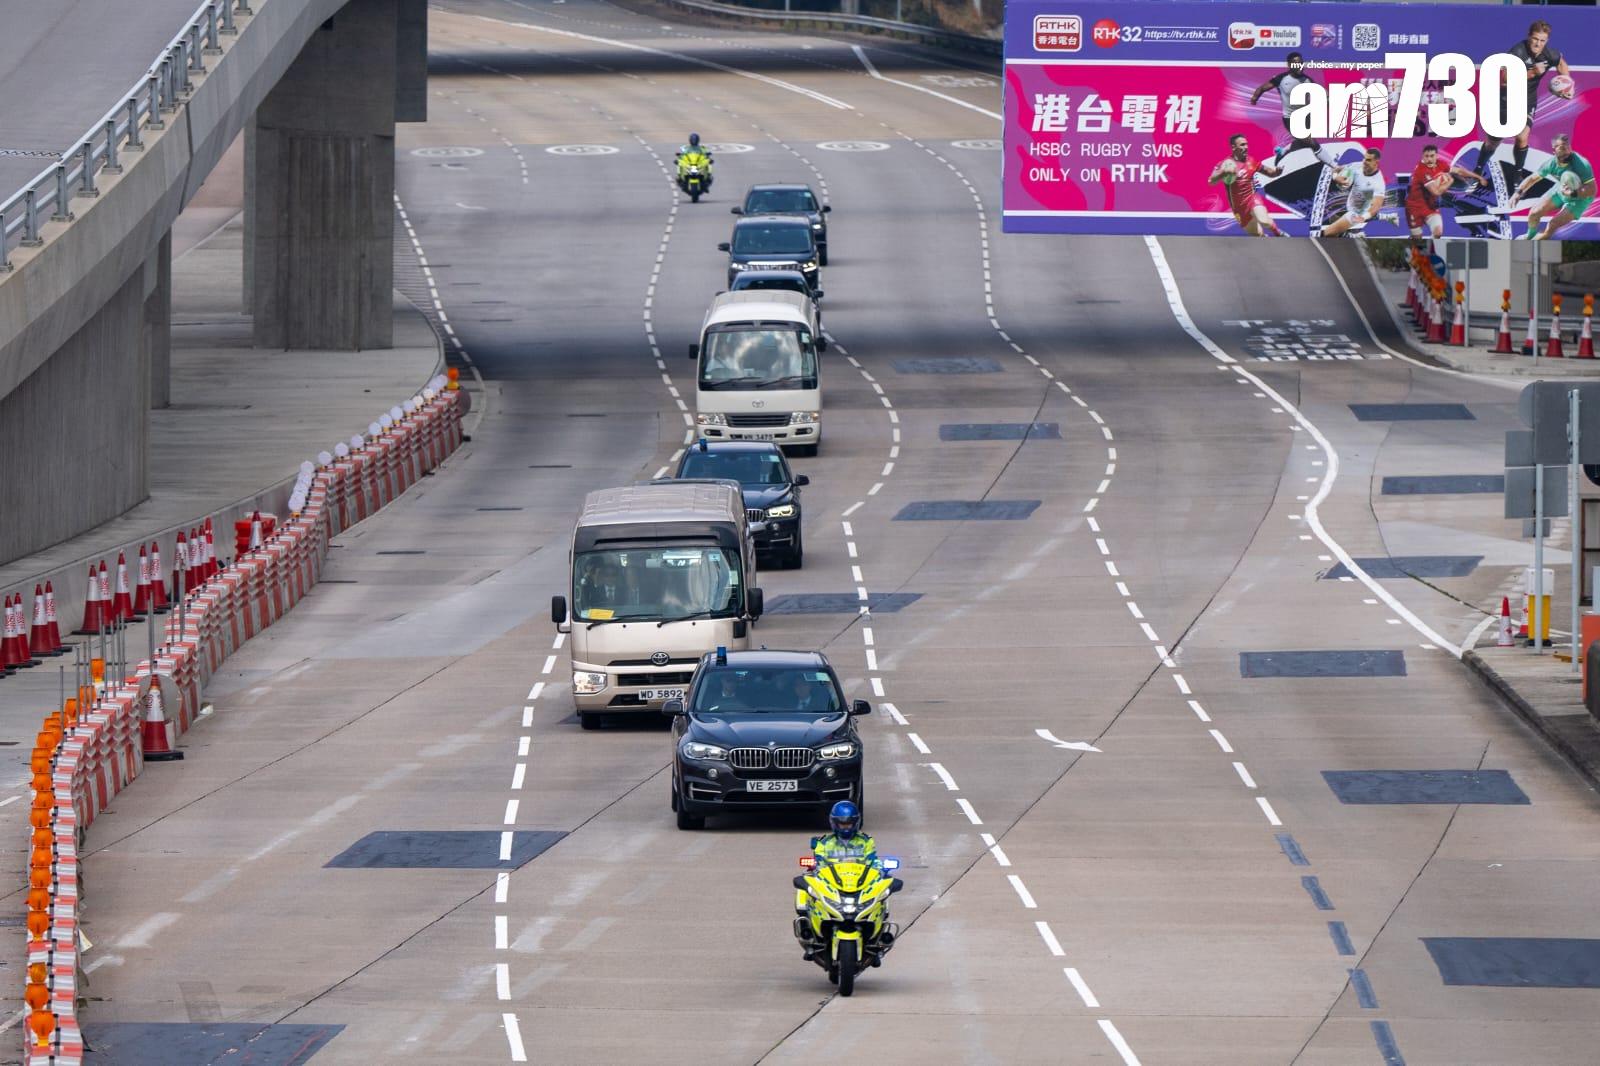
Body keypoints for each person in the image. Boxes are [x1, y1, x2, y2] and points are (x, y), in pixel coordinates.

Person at [1473, 20, 1572, 185]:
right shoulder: (1517, 52)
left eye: (1542, 40)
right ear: (1529, 37)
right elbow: (1504, 80)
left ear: (1546, 41)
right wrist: (1531, 73)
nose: (1538, 44)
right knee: (1493, 142)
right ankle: (1478, 168)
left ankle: (1517, 173)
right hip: (1505, 101)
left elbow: (1561, 63)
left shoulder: (1549, 54)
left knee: (1522, 136)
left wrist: (1567, 83)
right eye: (1535, 39)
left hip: (1527, 101)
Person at [1250, 53, 1340, 172]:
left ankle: (1283, 151)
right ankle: (1335, 166)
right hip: (1290, 119)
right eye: (1296, 63)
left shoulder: (1307, 80)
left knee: (1304, 142)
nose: (1299, 65)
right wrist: (1255, 98)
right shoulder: (1281, 79)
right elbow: (1262, 88)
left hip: (1305, 118)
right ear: (1289, 65)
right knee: (1311, 143)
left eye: (1301, 63)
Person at [1517, 133, 1595, 240]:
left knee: (1552, 224)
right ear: (1554, 151)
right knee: (1534, 213)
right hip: (1562, 190)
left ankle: (1533, 243)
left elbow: (1592, 190)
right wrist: (1518, 192)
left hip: (1580, 198)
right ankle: (1529, 235)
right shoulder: (1551, 164)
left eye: (1568, 147)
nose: (1567, 151)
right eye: (1562, 148)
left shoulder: (1582, 164)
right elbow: (1532, 178)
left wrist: (1573, 193)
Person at [1208, 134, 1283, 237]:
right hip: (1238, 208)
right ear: (1234, 147)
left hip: (1252, 199)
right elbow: (1211, 181)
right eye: (1242, 145)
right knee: (1258, 234)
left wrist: (1277, 172)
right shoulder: (1225, 164)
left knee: (1264, 221)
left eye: (1246, 144)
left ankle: (1279, 234)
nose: (1246, 147)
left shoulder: (1251, 161)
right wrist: (1223, 172)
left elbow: (1269, 172)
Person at [1406, 144, 1482, 240]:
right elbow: (1436, 192)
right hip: (1415, 207)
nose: (1429, 159)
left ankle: (1429, 247)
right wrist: (1450, 181)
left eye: (1432, 156)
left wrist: (1478, 177)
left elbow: (1458, 171)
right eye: (1426, 156)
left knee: (1437, 233)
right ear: (1423, 157)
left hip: (1430, 206)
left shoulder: (1440, 164)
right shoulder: (1421, 170)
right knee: (1417, 237)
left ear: (1436, 156)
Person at [1319, 148, 1386, 238]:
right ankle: (1347, 234)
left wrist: (1363, 218)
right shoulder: (1358, 165)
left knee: (1326, 233)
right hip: (1348, 207)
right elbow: (1336, 169)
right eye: (1364, 158)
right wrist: (1336, 177)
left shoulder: (1378, 183)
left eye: (1368, 160)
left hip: (1358, 214)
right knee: (1331, 225)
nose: (1364, 162)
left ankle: (1350, 234)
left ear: (1376, 162)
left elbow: (1375, 207)